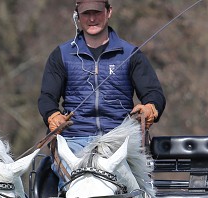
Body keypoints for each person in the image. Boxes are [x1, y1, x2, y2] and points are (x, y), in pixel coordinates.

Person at [38, 0, 166, 169]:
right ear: (77, 15)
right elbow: (47, 97)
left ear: (109, 12)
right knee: (74, 182)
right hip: (74, 140)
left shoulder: (130, 54)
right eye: (86, 13)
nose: (92, 19)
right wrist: (52, 115)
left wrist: (150, 107)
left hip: (119, 139)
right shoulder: (60, 55)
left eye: (97, 12)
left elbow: (154, 93)